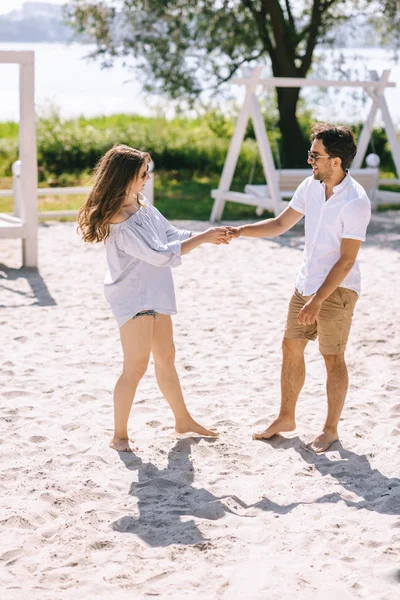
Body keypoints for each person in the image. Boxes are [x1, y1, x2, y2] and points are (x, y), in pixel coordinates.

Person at [78, 144, 232, 452]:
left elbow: (169, 235)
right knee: (135, 368)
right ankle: (119, 435)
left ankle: (183, 420)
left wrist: (208, 235)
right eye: (142, 174)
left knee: (166, 357)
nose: (147, 178)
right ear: (125, 177)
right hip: (134, 298)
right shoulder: (118, 220)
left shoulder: (140, 203)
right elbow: (158, 255)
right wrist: (203, 239)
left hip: (155, 292)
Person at [228, 123, 371, 452]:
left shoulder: (355, 202)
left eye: (315, 155)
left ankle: (330, 429)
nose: (310, 161)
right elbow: (280, 224)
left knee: (332, 357)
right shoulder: (310, 186)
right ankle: (286, 417)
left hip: (337, 290)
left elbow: (347, 260)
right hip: (306, 283)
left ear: (335, 161)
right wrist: (240, 231)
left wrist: (318, 300)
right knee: (290, 347)